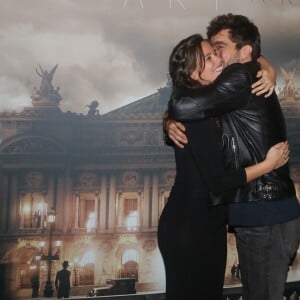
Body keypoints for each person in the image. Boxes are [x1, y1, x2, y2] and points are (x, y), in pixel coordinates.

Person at [165, 14, 300, 300]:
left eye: (219, 48)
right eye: (210, 52)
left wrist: (172, 113)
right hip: (248, 210)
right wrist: (169, 122)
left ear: (245, 52)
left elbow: (181, 105)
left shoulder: (238, 77)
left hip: (263, 208)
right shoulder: (227, 89)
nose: (216, 56)